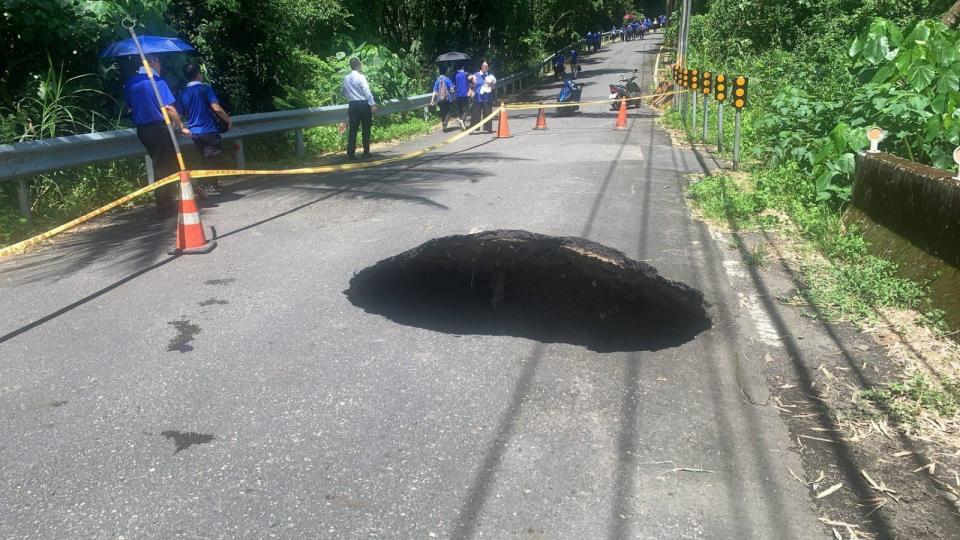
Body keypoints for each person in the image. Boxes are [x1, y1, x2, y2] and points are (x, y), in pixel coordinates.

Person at [123, 55, 190, 218]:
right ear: (152, 63)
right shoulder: (158, 82)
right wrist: (181, 127)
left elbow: (130, 105)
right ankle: (165, 207)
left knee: (162, 164)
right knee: (164, 167)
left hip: (143, 131)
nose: (160, 66)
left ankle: (168, 201)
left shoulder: (131, 83)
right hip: (159, 128)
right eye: (159, 62)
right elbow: (169, 108)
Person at [179, 63, 231, 194]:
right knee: (212, 159)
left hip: (194, 133)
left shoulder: (183, 93)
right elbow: (216, 108)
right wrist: (228, 120)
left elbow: (179, 113)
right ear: (198, 74)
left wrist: (180, 127)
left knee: (207, 158)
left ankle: (213, 185)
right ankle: (201, 184)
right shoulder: (205, 88)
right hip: (209, 130)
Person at [341, 57, 377, 160]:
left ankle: (350, 153)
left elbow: (343, 91)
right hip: (363, 104)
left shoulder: (346, 78)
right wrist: (372, 104)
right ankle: (366, 152)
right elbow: (367, 91)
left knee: (353, 129)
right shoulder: (361, 77)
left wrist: (350, 95)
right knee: (366, 128)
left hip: (352, 104)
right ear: (358, 65)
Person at [471, 61, 496, 133]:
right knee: (475, 113)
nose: (484, 67)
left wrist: (490, 84)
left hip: (487, 98)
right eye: (483, 66)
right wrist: (472, 84)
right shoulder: (476, 74)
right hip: (478, 97)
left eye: (486, 66)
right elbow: (471, 83)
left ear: (488, 67)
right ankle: (473, 129)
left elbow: (493, 87)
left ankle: (487, 129)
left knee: (487, 113)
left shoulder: (491, 76)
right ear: (481, 67)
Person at [454, 65, 470, 130]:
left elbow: (454, 85)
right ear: (463, 67)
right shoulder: (466, 74)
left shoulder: (455, 75)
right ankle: (462, 121)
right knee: (466, 110)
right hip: (465, 94)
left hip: (458, 95)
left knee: (460, 110)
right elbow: (470, 82)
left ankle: (463, 124)